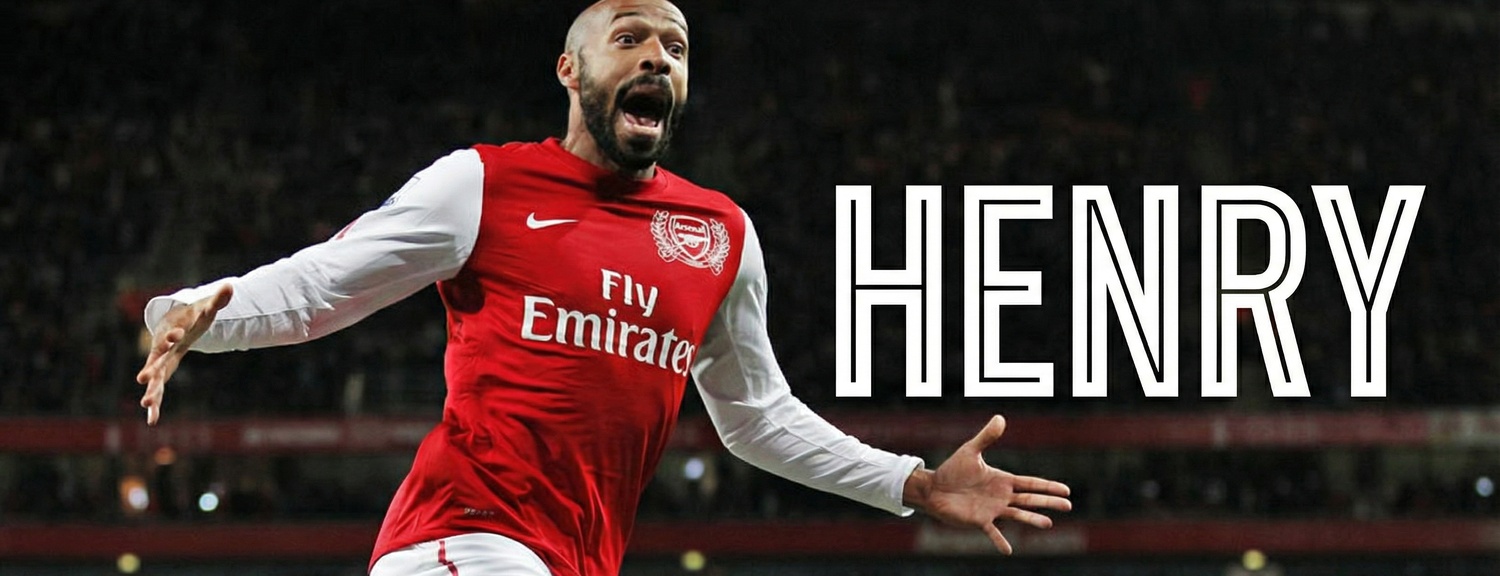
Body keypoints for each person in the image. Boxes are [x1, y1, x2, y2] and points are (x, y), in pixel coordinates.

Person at [134, 1, 1072, 574]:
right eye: (630, 39)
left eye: (676, 46)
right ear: (570, 69)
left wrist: (910, 482)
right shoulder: (483, 185)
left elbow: (757, 417)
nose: (658, 57)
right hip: (460, 540)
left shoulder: (719, 235)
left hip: (579, 558)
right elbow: (328, 283)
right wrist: (202, 312)